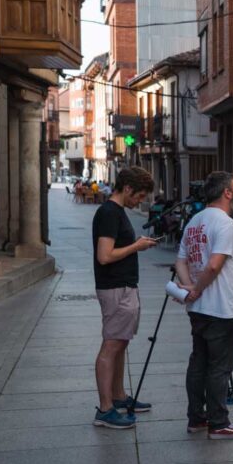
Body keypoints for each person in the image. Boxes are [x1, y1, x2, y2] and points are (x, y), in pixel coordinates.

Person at [175, 171, 233, 440]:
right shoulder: (225, 223)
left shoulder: (195, 221)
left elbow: (181, 260)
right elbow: (215, 264)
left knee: (199, 364)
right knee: (219, 368)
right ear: (227, 193)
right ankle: (219, 423)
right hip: (222, 309)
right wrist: (196, 288)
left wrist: (188, 289)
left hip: (198, 309)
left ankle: (197, 418)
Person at [92, 166, 157, 429]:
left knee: (120, 343)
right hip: (116, 287)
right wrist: (137, 246)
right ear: (127, 188)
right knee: (112, 346)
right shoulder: (109, 212)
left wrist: (135, 245)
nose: (139, 201)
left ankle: (118, 397)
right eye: (139, 195)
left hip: (123, 286)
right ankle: (105, 409)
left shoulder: (116, 212)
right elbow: (104, 256)